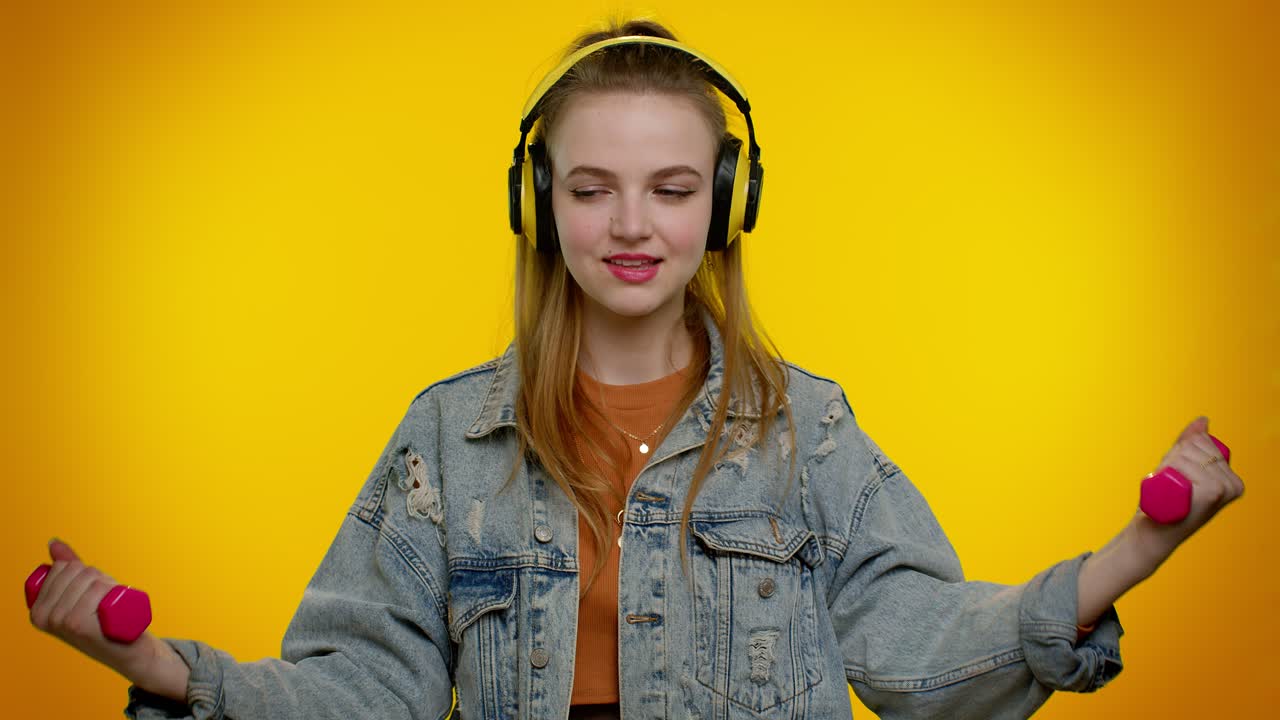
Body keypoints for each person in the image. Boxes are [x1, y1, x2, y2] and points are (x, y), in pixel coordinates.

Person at [28, 17, 1245, 720]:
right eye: (589, 187)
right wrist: (158, 667)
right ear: (536, 203)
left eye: (668, 189)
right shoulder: (449, 439)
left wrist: (1135, 548)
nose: (628, 225)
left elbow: (917, 648)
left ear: (724, 204)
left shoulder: (807, 429)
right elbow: (365, 690)